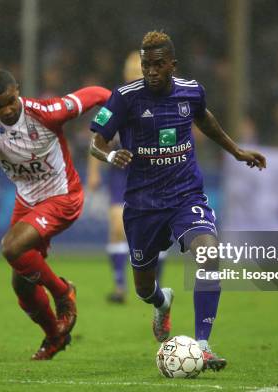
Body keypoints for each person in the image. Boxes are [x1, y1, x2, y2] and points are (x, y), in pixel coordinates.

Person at [89, 31, 266, 371]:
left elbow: (206, 120)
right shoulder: (125, 98)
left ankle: (202, 346)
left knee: (210, 253)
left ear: (172, 64)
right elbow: (96, 142)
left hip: (185, 195)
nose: (151, 71)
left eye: (158, 65)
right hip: (142, 204)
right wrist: (110, 157)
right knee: (143, 287)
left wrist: (237, 151)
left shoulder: (191, 91)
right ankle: (161, 302)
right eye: (145, 66)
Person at [0, 69, 110, 360]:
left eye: (10, 101)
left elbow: (98, 94)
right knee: (22, 285)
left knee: (11, 247)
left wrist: (117, 114)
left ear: (17, 89)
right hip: (27, 201)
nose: (6, 109)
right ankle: (55, 336)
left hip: (62, 196)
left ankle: (63, 292)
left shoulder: (46, 113)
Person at [87, 50, 167, 304]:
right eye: (131, 71)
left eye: (139, 71)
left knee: (157, 232)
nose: (135, 75)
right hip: (121, 173)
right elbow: (98, 137)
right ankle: (120, 286)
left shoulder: (163, 102)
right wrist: (93, 171)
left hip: (153, 173)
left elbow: (172, 136)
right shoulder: (115, 101)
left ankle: (155, 283)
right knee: (117, 227)